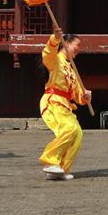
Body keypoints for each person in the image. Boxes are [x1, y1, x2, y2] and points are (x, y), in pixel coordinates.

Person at [39, 24, 91, 180]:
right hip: (53, 101)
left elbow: (76, 94)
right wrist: (55, 38)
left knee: (77, 134)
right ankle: (50, 160)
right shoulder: (55, 60)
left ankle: (61, 168)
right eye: (77, 45)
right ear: (67, 43)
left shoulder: (71, 69)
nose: (78, 49)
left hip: (65, 104)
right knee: (69, 129)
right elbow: (47, 54)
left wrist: (85, 97)